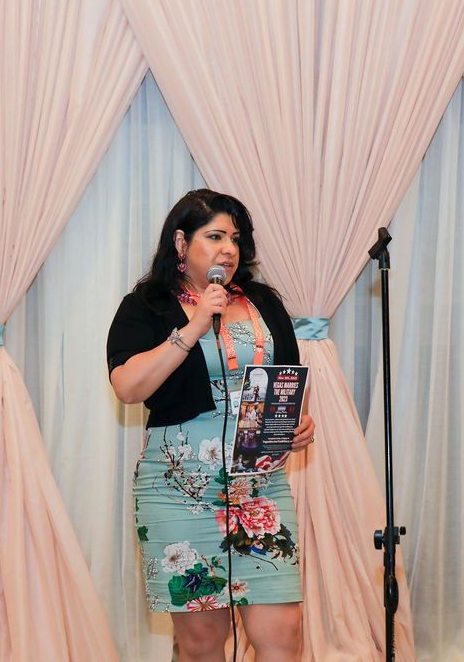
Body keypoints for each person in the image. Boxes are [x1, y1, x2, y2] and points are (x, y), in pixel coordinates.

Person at [107, 189, 316, 662]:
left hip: (258, 487)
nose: (229, 249)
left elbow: (281, 381)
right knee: (202, 643)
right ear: (181, 243)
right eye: (215, 236)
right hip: (178, 490)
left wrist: (297, 425)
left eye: (235, 239)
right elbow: (127, 387)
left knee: (285, 633)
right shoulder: (147, 305)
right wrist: (196, 324)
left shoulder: (262, 302)